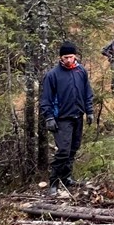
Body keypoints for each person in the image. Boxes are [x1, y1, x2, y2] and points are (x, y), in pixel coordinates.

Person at [39, 41, 94, 197]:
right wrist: (49, 117)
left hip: (78, 115)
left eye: (70, 56)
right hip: (61, 118)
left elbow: (87, 92)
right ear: (60, 58)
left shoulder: (81, 71)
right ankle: (53, 183)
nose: (68, 60)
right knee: (63, 150)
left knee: (73, 148)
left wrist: (89, 111)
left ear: (75, 56)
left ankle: (67, 178)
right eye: (65, 57)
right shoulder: (52, 75)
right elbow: (46, 99)